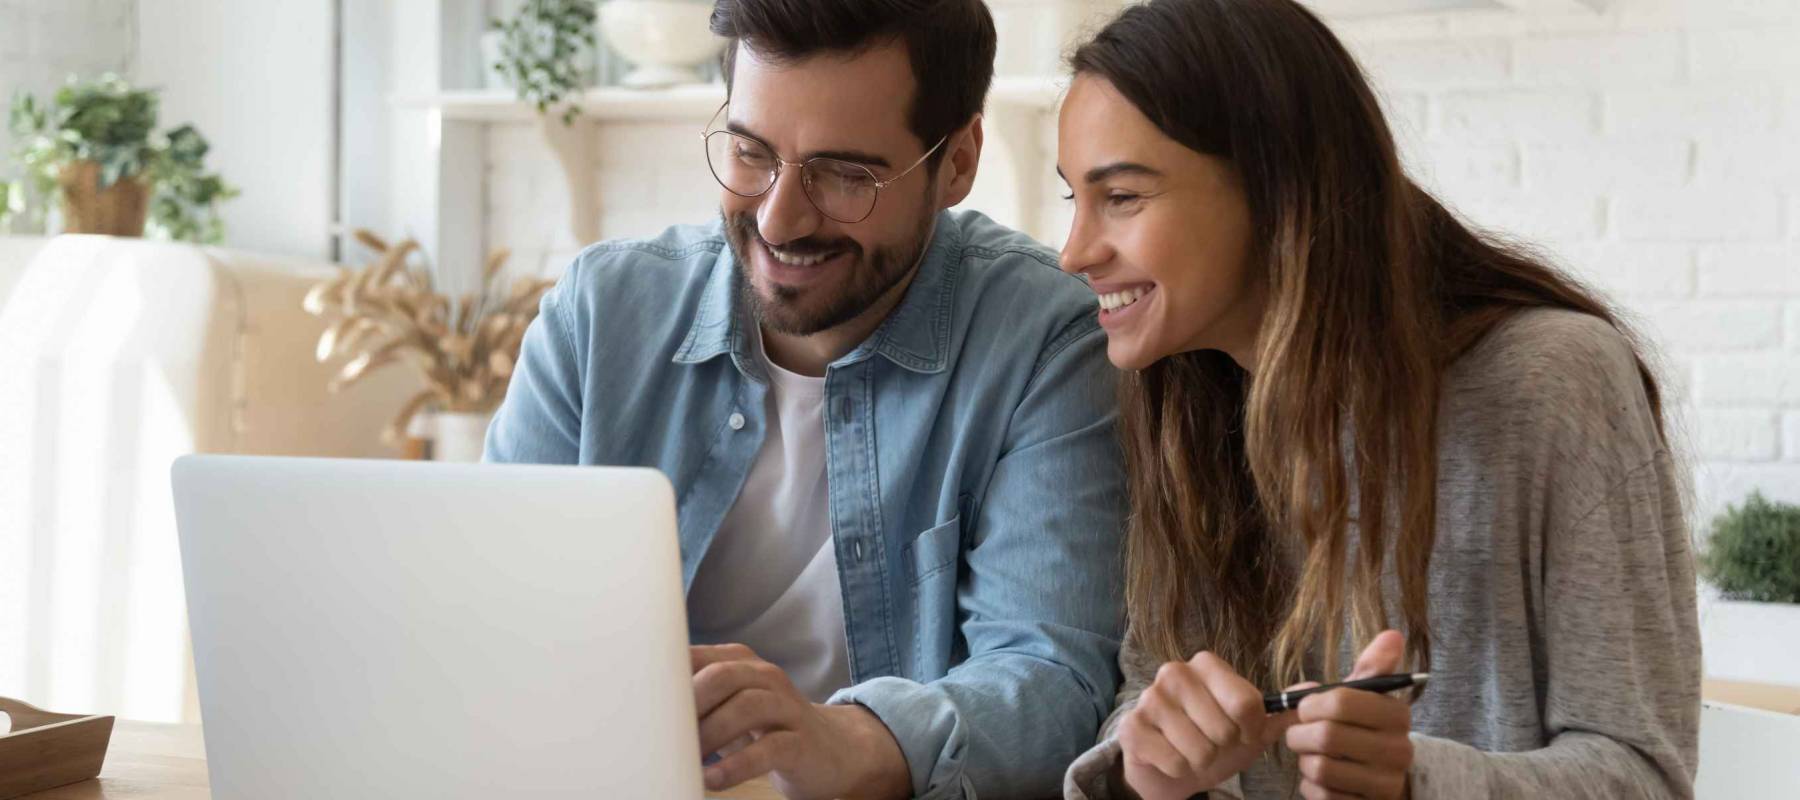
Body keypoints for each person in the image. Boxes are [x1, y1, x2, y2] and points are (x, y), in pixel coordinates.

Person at [1053, 1, 1700, 798]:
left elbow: (1644, 773)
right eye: (1073, 199)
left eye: (1121, 197)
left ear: (1276, 186)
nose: (1074, 252)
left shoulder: (1552, 381)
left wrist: (1413, 784)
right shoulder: (1181, 402)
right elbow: (1150, 691)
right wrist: (1148, 772)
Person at [486, 1, 1126, 797]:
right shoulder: (600, 313)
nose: (779, 219)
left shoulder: (1045, 340)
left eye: (845, 175)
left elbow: (1052, 681)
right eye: (750, 154)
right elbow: (490, 614)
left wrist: (842, 739)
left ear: (957, 162)